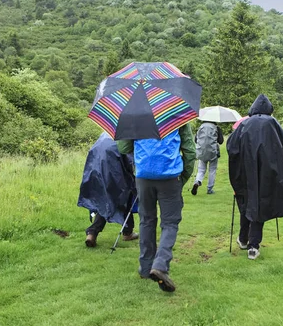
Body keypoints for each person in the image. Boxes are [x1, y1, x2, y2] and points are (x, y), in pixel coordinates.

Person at [117, 124, 195, 292]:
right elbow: (190, 151)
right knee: (170, 223)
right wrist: (183, 177)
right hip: (170, 177)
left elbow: (123, 147)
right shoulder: (177, 113)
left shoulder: (135, 116)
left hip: (144, 176)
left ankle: (145, 268)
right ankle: (160, 265)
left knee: (146, 220)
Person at [227, 94, 283, 260]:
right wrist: (277, 166)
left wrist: (237, 171)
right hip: (267, 173)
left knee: (246, 203)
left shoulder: (244, 124)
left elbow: (231, 148)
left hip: (244, 172)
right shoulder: (273, 124)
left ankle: (244, 239)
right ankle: (253, 246)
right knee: (260, 203)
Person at [78, 133, 139, 248]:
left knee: (105, 199)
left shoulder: (107, 131)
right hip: (112, 168)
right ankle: (127, 232)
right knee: (123, 195)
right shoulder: (128, 133)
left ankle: (92, 233)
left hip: (95, 168)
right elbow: (128, 157)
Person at [191, 121, 224, 195]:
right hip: (213, 152)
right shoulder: (216, 128)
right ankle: (209, 189)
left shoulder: (201, 127)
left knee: (201, 170)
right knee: (212, 170)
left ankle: (197, 181)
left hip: (202, 152)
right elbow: (221, 141)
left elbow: (196, 140)